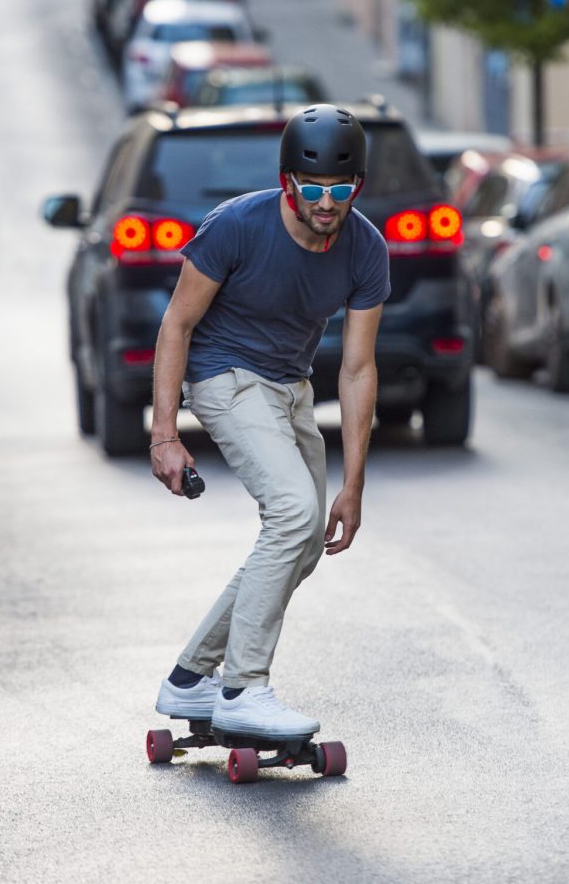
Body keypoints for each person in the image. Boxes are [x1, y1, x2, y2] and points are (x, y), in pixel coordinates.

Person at [148, 104, 389, 738]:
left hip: (291, 387)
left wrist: (354, 484)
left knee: (304, 544)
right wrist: (165, 434)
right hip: (224, 376)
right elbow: (176, 324)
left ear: (357, 186)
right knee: (292, 513)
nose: (326, 204)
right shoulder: (236, 226)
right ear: (288, 183)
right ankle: (243, 687)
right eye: (312, 190)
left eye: (341, 190)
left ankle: (189, 680)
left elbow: (357, 370)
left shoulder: (366, 248)